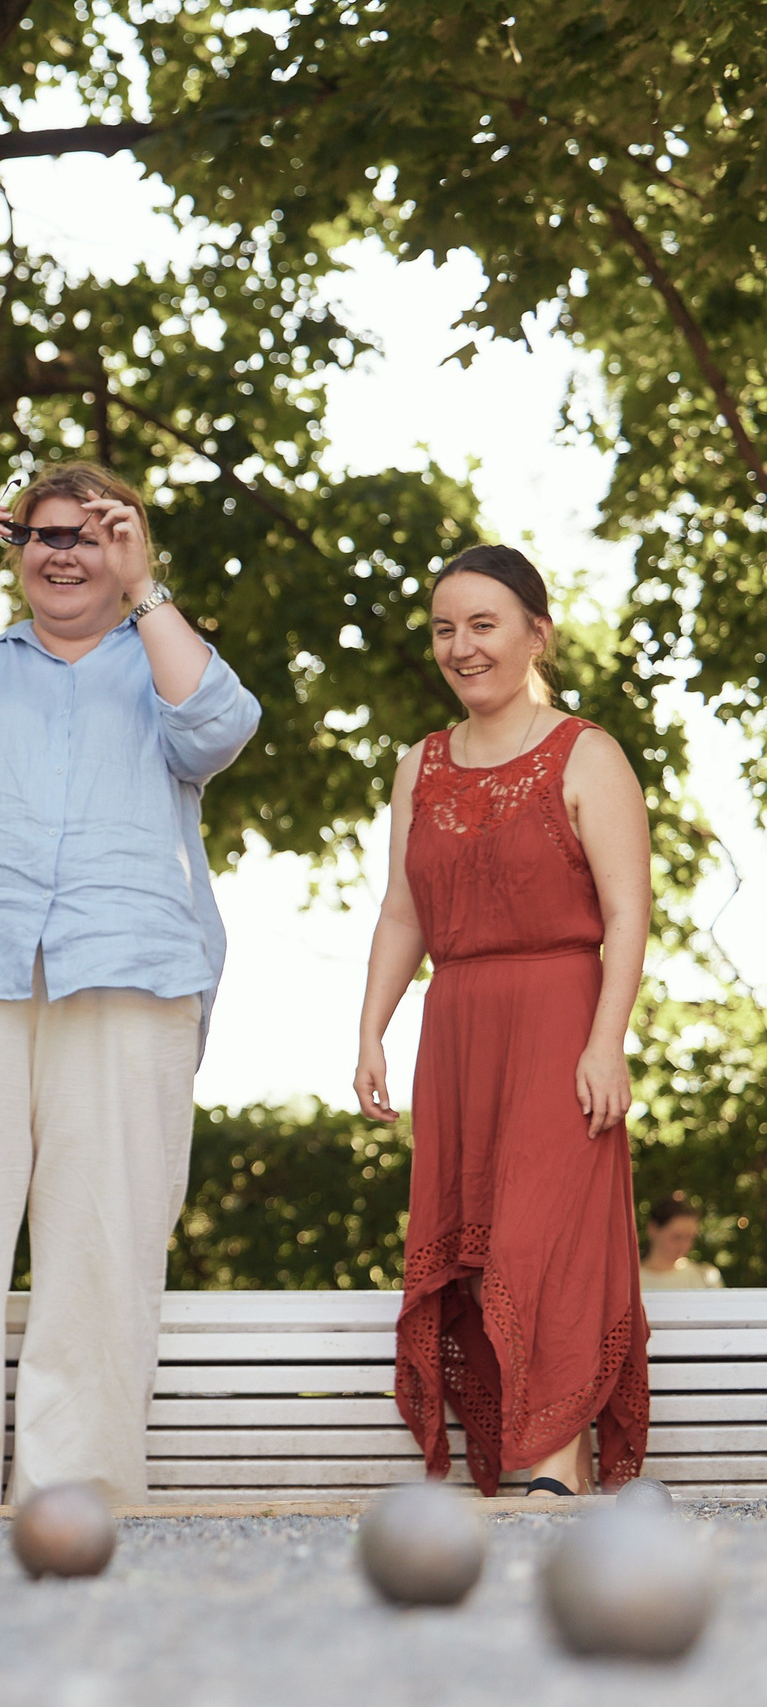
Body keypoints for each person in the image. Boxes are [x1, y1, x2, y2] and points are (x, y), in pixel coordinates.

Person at [0, 464, 262, 1507]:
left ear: (124, 548)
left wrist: (147, 589)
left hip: (129, 972)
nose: (63, 552)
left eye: (90, 534)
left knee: (102, 1241)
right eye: (42, 534)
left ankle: (73, 1497)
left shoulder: (159, 658)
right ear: (14, 550)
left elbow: (219, 727)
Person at [355, 544, 652, 1497]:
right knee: (479, 1249)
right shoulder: (420, 765)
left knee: (547, 1247)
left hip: (561, 1025)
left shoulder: (587, 752)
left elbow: (629, 910)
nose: (462, 645)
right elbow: (404, 910)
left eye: (484, 624)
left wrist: (606, 1041)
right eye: (446, 628)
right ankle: (523, 1478)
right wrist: (372, 1029)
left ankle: (553, 1480)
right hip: (458, 1033)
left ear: (537, 633)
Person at [641, 1193, 723, 1290]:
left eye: (690, 1238)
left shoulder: (705, 1277)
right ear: (653, 1229)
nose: (685, 1245)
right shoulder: (631, 1279)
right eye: (677, 1237)